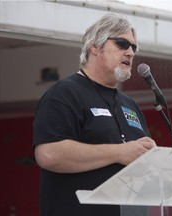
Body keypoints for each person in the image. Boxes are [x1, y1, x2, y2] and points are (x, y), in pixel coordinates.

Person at [33, 13, 156, 216]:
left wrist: (153, 160)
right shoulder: (64, 93)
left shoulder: (129, 104)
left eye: (134, 47)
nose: (130, 53)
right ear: (95, 46)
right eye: (122, 43)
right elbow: (49, 154)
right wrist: (120, 152)